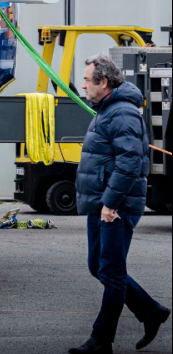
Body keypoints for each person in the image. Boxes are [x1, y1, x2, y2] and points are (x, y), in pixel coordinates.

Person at [69, 55, 170, 354]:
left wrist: (110, 203)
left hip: (114, 207)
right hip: (101, 203)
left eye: (87, 80)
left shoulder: (122, 113)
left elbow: (129, 164)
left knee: (111, 273)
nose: (83, 85)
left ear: (103, 82)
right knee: (97, 266)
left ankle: (101, 341)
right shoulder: (108, 109)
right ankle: (151, 310)